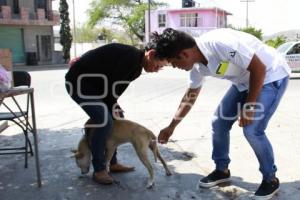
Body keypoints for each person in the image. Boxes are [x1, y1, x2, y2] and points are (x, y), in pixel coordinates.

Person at [154, 28, 291, 199]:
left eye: (173, 62)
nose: (174, 66)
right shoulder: (197, 67)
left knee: (252, 130)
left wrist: (249, 106)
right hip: (244, 82)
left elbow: (259, 67)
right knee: (218, 123)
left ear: (184, 54)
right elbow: (190, 96)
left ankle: (270, 179)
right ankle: (222, 170)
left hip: (271, 74)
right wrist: (171, 126)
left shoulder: (220, 43)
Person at [65, 43, 168, 185]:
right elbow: (109, 86)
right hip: (79, 84)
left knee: (117, 117)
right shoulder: (129, 57)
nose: (157, 70)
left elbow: (115, 90)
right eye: (157, 66)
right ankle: (99, 169)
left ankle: (112, 163)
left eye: (160, 68)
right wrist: (108, 108)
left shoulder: (137, 69)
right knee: (105, 121)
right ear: (150, 54)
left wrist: (114, 106)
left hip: (99, 89)